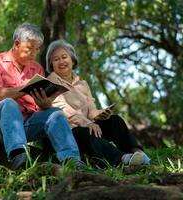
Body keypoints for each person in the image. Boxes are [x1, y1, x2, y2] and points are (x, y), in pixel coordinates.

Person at [0, 23, 82, 170]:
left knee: (55, 113)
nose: (34, 53)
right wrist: (25, 89)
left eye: (37, 49)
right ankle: (19, 158)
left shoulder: (36, 68)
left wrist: (45, 103)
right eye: (30, 48)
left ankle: (72, 160)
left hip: (24, 126)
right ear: (17, 43)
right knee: (9, 104)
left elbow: (39, 109)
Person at [45, 39, 151, 167]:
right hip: (68, 134)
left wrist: (102, 114)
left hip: (87, 126)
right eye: (56, 59)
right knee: (85, 131)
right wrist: (88, 123)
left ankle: (139, 154)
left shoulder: (82, 84)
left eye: (64, 57)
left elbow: (91, 111)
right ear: (51, 64)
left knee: (115, 120)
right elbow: (63, 110)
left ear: (72, 61)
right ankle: (123, 159)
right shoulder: (50, 83)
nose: (61, 62)